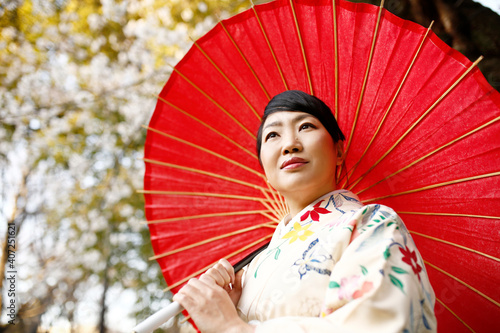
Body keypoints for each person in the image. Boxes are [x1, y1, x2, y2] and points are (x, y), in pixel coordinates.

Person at [173, 90, 436, 332]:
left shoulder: (372, 224)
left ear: (339, 151)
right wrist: (233, 310)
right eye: (272, 135)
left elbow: (384, 325)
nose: (290, 144)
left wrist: (232, 328)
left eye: (306, 126)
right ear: (265, 169)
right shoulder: (251, 269)